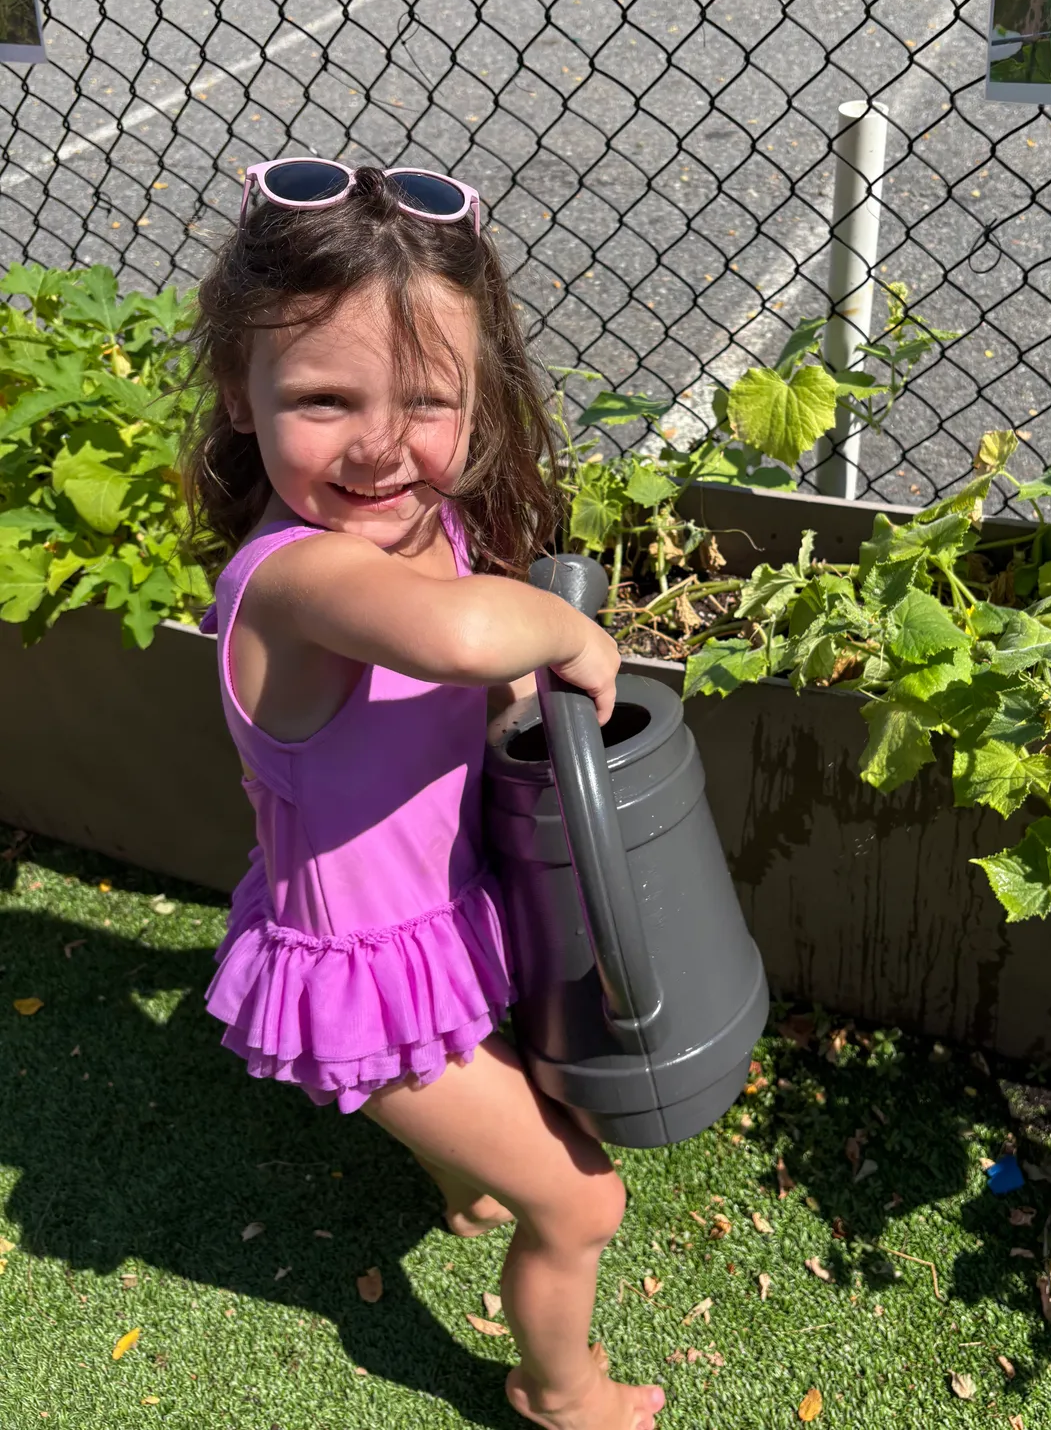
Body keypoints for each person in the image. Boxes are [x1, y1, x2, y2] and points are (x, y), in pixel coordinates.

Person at [181, 157, 664, 1430]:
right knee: (583, 1201)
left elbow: (449, 683)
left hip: (430, 920)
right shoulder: (296, 582)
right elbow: (454, 640)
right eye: (327, 398)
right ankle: (564, 1395)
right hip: (353, 966)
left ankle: (461, 1171)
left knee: (485, 1091)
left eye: (427, 401)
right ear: (241, 392)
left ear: (478, 396)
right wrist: (571, 643)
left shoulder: (413, 528)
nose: (384, 445)